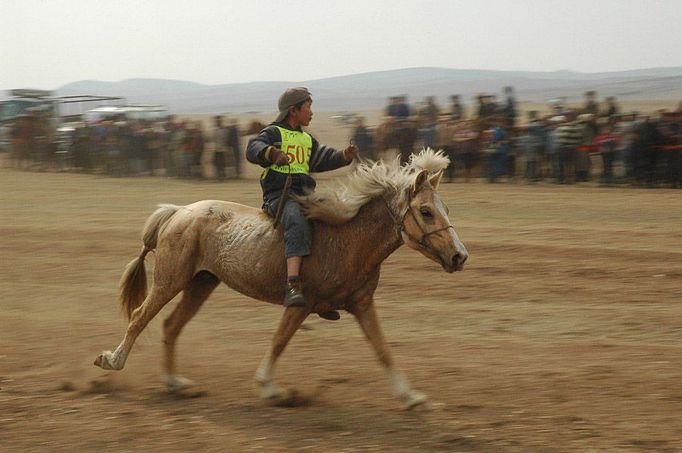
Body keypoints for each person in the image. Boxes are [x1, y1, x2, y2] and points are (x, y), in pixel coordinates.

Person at [246, 87, 358, 321]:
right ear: (293, 111)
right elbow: (253, 148)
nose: (312, 113)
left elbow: (322, 158)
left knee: (334, 219)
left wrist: (344, 156)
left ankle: (322, 289)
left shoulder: (307, 139)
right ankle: (293, 285)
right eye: (308, 107)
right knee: (296, 221)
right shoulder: (273, 132)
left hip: (306, 196)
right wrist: (271, 153)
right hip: (279, 197)